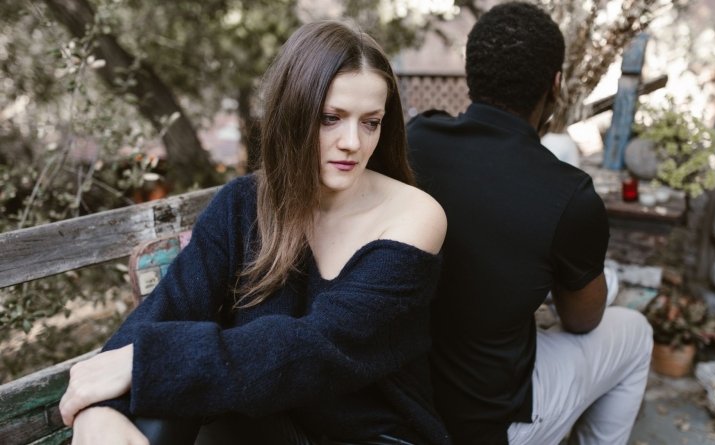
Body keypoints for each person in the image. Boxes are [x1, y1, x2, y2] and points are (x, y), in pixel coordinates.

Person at [59, 20, 450, 445]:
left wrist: (145, 365)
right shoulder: (243, 205)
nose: (353, 142)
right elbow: (166, 310)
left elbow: (318, 349)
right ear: (292, 114)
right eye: (330, 118)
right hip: (266, 428)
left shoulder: (414, 216)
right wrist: (99, 411)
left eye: (370, 122)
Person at [406, 2, 653, 444]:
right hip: (488, 425)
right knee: (635, 333)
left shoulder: (415, 138)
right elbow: (581, 320)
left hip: (407, 404)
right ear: (555, 85)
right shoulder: (568, 193)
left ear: (469, 75)